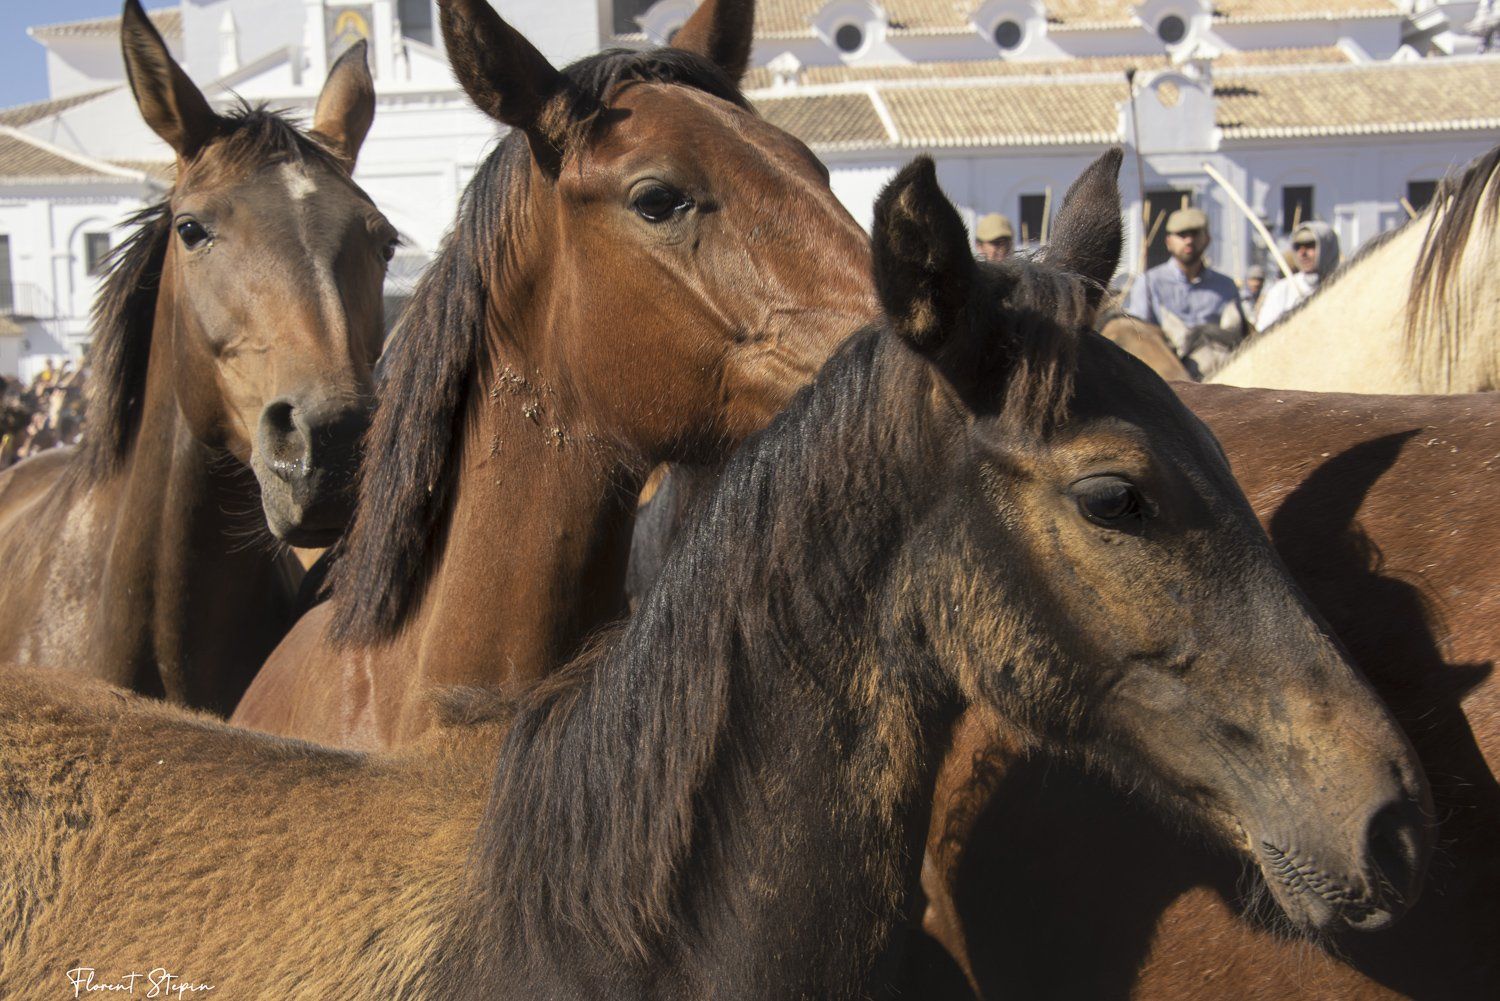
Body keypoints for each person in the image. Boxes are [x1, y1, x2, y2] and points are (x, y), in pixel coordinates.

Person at [1124, 207, 1243, 355]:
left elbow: (1239, 336)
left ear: (1207, 239)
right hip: (1165, 372)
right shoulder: (1148, 283)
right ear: (1168, 242)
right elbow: (1138, 335)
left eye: (1195, 233)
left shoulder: (1226, 286)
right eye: (1182, 234)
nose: (1189, 240)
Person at [1256, 221, 1342, 330]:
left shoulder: (1344, 287)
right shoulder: (1281, 291)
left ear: (1327, 247)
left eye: (1309, 245)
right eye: (1297, 246)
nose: (1302, 253)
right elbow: (1264, 335)